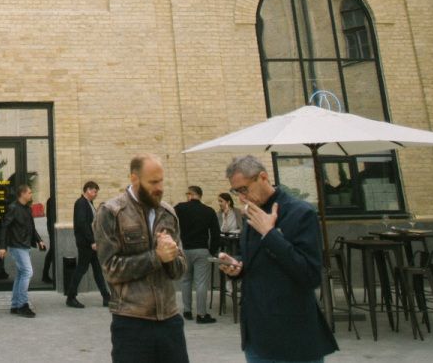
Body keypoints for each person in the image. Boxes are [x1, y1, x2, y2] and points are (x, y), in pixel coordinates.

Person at [217, 155, 338, 363]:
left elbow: (310, 275)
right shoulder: (253, 213)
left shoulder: (301, 213)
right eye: (236, 192)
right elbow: (257, 260)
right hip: (257, 335)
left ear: (262, 177)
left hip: (292, 337)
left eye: (244, 189)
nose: (241, 198)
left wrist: (270, 234)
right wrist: (238, 266)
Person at [94, 154, 189, 363]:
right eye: (153, 182)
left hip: (170, 320)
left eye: (161, 180)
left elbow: (179, 270)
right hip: (131, 322)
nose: (159, 187)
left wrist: (171, 255)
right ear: (134, 178)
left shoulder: (168, 213)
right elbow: (110, 269)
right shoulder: (111, 212)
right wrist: (156, 257)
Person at [173, 185, 221, 324]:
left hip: (185, 249)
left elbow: (171, 221)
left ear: (190, 194)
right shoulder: (209, 211)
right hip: (201, 249)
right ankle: (201, 314)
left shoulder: (180, 208)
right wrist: (212, 250)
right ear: (200, 195)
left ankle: (187, 311)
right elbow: (216, 234)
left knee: (186, 280)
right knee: (201, 283)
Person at [0, 184, 46, 317]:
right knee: (27, 272)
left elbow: (31, 227)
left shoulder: (27, 209)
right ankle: (23, 305)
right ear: (22, 194)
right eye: (29, 193)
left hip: (24, 245)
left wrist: (39, 240)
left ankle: (15, 305)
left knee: (21, 274)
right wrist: (2, 247)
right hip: (17, 245)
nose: (31, 195)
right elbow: (4, 227)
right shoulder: (13, 208)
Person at [66, 180, 111, 309]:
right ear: (88, 190)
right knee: (81, 269)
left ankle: (106, 297)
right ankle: (70, 297)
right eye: (94, 191)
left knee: (97, 270)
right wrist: (91, 241)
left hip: (91, 243)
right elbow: (82, 224)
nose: (96, 194)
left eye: (96, 192)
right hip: (86, 244)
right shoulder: (81, 203)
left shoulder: (89, 203)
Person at [41, 194, 56, 283]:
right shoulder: (52, 200)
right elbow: (51, 217)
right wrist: (52, 231)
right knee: (52, 251)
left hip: (51, 228)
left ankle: (45, 274)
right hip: (52, 228)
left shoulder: (51, 200)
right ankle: (45, 274)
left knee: (52, 252)